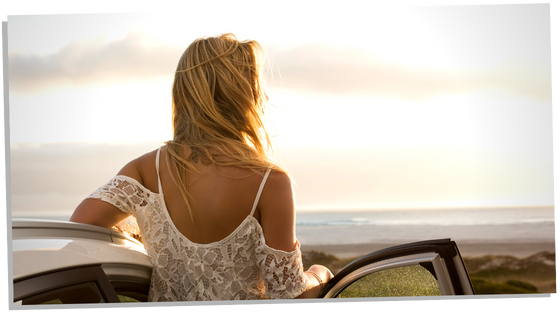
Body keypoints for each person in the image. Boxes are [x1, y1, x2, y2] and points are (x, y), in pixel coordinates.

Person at [69, 33, 333, 301]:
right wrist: (320, 274)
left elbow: (79, 228)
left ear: (183, 93)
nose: (262, 94)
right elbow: (289, 296)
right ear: (243, 95)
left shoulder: (144, 170)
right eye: (256, 84)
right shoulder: (270, 182)